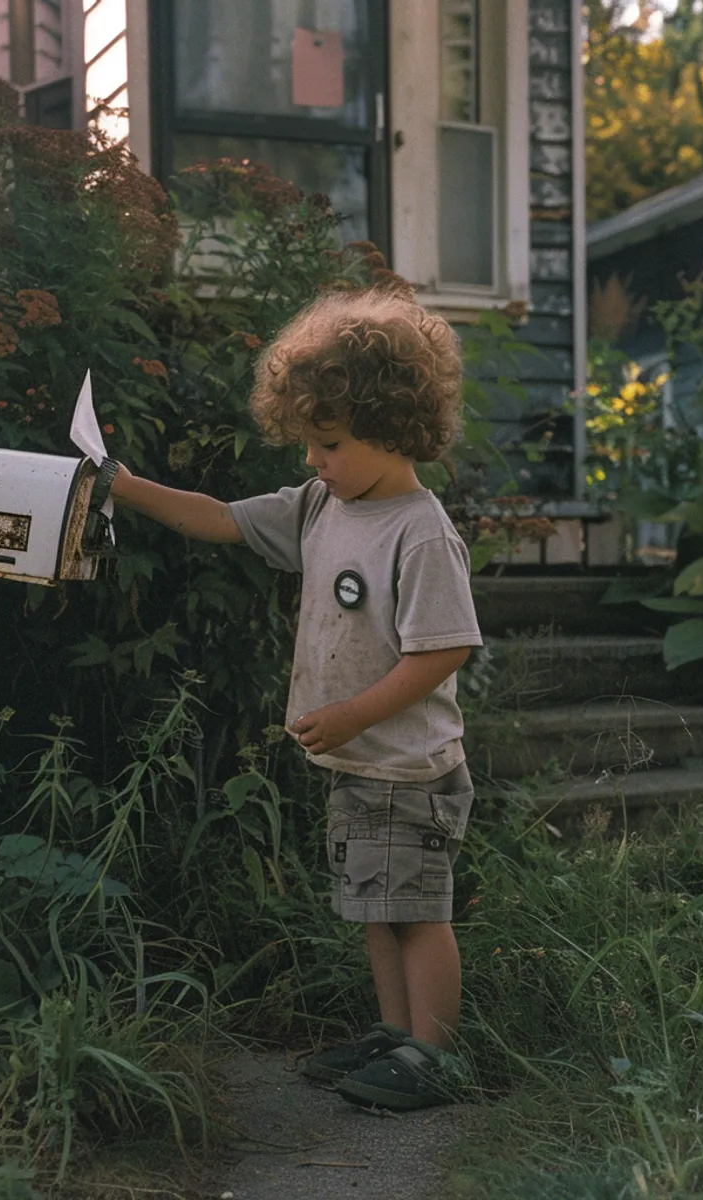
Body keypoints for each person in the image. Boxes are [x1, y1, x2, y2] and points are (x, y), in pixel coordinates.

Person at [106, 286, 483, 1111]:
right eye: (311, 442)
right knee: (376, 908)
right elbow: (223, 520)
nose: (314, 460)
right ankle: (395, 1036)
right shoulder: (322, 505)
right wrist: (130, 490)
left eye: (330, 444)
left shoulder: (419, 531)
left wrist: (352, 713)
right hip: (362, 764)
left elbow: (445, 648)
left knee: (418, 912)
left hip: (409, 767)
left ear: (393, 427)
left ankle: (436, 1053)